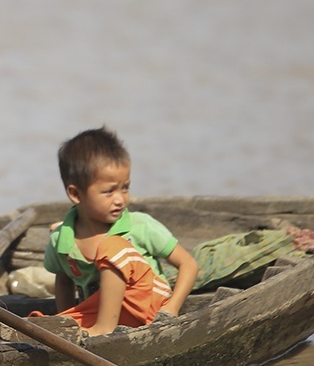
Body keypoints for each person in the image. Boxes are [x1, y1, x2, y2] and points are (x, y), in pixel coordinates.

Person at [41, 127, 200, 335]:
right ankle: (97, 327)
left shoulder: (140, 225)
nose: (120, 199)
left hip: (150, 308)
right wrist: (65, 322)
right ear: (75, 194)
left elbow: (188, 264)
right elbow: (63, 280)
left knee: (111, 247)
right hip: (101, 313)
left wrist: (172, 308)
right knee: (42, 326)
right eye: (109, 191)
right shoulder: (61, 240)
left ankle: (103, 328)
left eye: (125, 187)